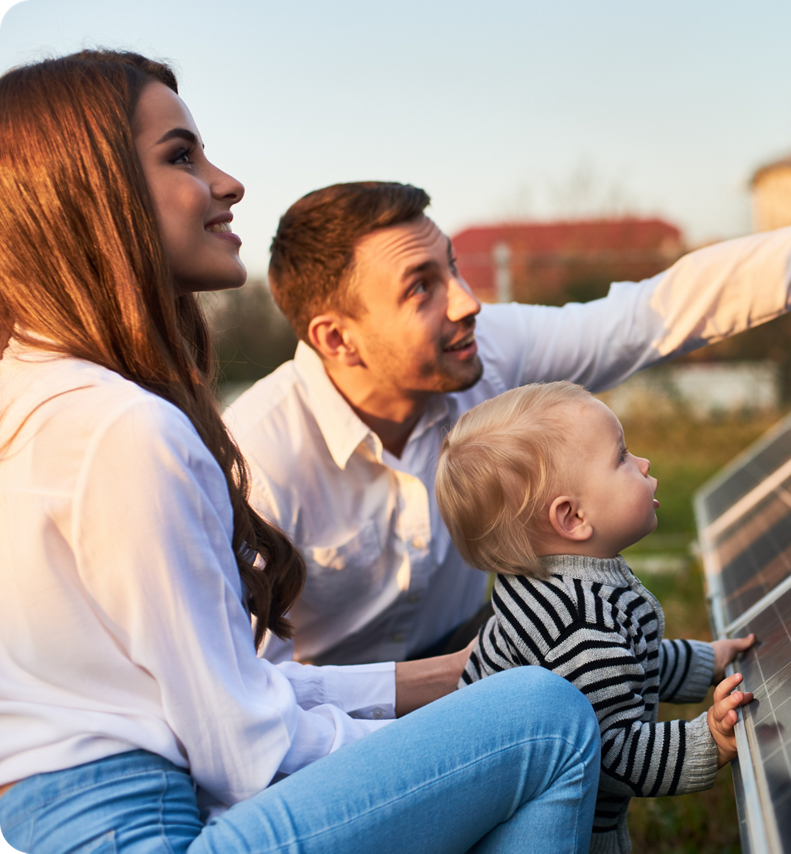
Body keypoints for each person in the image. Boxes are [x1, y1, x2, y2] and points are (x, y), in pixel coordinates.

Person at [0, 50, 601, 853]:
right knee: (545, 720)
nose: (228, 182)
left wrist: (452, 682)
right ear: (90, 196)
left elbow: (229, 690)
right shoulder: (123, 430)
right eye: (181, 156)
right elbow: (246, 751)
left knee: (509, 705)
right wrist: (457, 750)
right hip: (147, 833)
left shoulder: (35, 397)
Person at [226, 83, 791, 668]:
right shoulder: (257, 461)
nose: (467, 300)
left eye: (452, 266)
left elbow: (663, 310)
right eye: (421, 287)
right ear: (338, 338)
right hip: (329, 728)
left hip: (470, 656)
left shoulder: (486, 352)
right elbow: (251, 702)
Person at [435, 381, 756, 854]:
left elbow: (627, 665)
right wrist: (707, 741)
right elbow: (612, 753)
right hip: (558, 828)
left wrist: (705, 661)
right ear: (572, 519)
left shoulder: (559, 586)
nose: (644, 464)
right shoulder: (578, 625)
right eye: (622, 458)